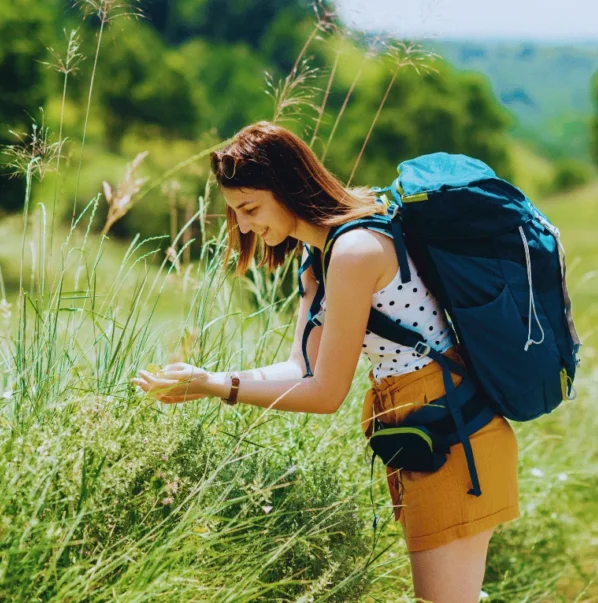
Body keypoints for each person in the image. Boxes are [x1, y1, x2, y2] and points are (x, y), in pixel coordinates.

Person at [131, 121, 520, 603]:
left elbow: (326, 393)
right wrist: (210, 379)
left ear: (290, 186)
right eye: (236, 213)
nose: (247, 225)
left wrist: (217, 388)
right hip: (428, 432)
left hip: (454, 434)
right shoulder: (320, 258)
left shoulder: (355, 252)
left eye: (251, 208)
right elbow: (301, 369)